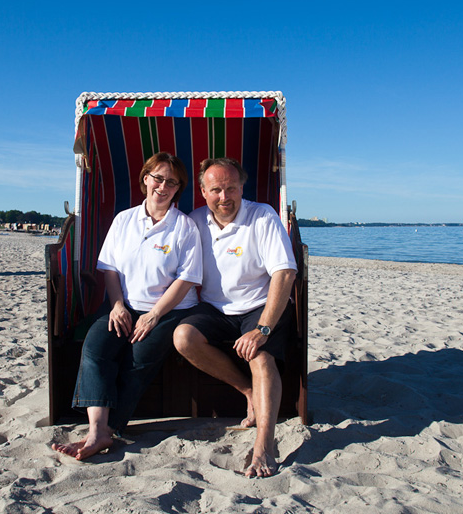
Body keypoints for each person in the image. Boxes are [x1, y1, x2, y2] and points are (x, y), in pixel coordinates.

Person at [52, 152, 202, 460]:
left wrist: (154, 315)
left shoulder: (184, 227)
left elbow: (186, 279)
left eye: (171, 182)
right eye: (157, 178)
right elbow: (110, 270)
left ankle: (111, 427)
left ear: (178, 189)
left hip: (170, 310)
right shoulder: (124, 220)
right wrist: (117, 306)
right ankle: (97, 430)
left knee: (138, 356)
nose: (163, 186)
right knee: (96, 347)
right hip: (126, 304)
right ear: (145, 178)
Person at [173, 157, 297, 478]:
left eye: (231, 188)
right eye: (216, 189)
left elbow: (284, 274)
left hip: (260, 304)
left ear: (242, 187)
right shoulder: (194, 221)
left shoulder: (262, 216)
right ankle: (248, 392)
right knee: (183, 337)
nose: (224, 197)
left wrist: (264, 327)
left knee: (260, 358)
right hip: (215, 308)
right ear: (203, 192)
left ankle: (264, 447)